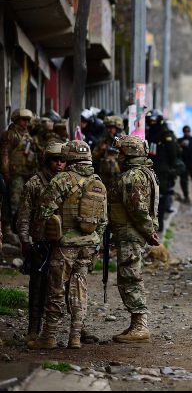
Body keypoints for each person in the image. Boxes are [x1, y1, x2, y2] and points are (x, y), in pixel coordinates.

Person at [27, 140, 108, 350]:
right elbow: (103, 220)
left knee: (56, 290)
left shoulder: (62, 180)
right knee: (79, 290)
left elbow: (44, 210)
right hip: (88, 246)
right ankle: (75, 337)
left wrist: (38, 236)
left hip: (64, 246)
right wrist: (95, 242)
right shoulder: (98, 182)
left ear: (69, 158)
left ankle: (49, 336)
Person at [109, 135, 160, 343]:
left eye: (121, 152)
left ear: (129, 153)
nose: (118, 156)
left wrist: (149, 231)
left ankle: (140, 325)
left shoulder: (132, 177)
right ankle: (135, 324)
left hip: (131, 233)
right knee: (129, 275)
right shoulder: (146, 173)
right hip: (132, 232)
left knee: (130, 277)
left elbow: (137, 209)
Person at [17, 142, 66, 342]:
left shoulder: (68, 182)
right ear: (47, 161)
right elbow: (24, 215)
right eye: (56, 160)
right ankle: (33, 329)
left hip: (62, 243)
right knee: (37, 287)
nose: (60, 164)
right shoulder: (35, 184)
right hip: (41, 243)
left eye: (63, 160)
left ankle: (72, 330)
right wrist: (25, 240)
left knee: (66, 287)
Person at [0, 108, 38, 242]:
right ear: (16, 120)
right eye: (23, 120)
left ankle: (19, 229)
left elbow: (33, 155)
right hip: (14, 174)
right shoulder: (11, 135)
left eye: (28, 120)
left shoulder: (27, 136)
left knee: (25, 204)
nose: (26, 123)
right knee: (12, 202)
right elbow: (4, 154)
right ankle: (7, 229)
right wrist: (5, 172)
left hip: (26, 174)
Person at [145, 110, 178, 232]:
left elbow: (173, 154)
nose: (152, 123)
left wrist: (170, 169)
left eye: (154, 121)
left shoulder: (165, 134)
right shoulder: (148, 133)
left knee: (161, 197)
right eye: (150, 121)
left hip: (162, 171)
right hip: (149, 169)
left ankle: (160, 223)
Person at [92, 115, 124, 191]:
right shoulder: (103, 140)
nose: (109, 130)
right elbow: (93, 157)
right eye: (108, 127)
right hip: (105, 176)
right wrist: (101, 150)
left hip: (119, 175)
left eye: (111, 127)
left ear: (117, 128)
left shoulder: (123, 140)